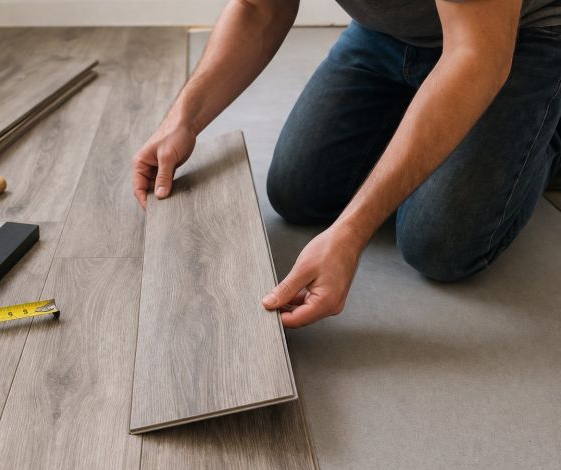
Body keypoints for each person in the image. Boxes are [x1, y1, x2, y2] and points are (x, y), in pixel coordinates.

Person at [132, 0, 561, 328]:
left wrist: (350, 233)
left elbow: (476, 55)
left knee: (437, 244)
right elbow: (259, 9)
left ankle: (545, 127)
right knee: (298, 192)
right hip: (386, 35)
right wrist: (182, 119)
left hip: (516, 38)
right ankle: (433, 115)